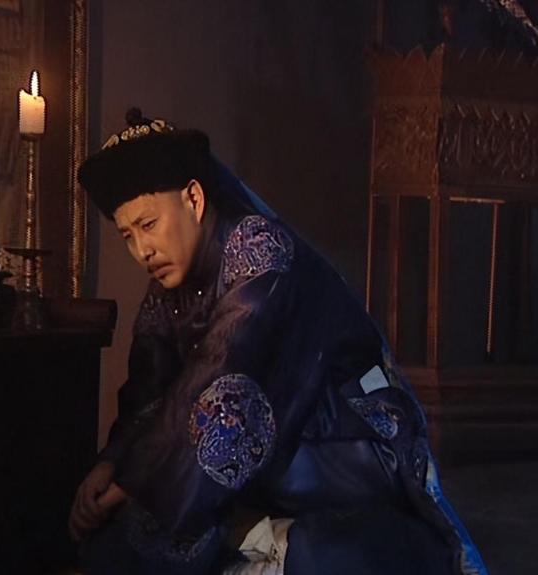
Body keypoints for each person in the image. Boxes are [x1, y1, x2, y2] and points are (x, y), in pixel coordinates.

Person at [69, 108, 487, 575]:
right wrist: (112, 463)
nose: (141, 250)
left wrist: (137, 482)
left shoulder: (259, 249)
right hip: (269, 451)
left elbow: (224, 368)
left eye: (148, 225)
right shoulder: (168, 287)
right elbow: (149, 387)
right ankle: (249, 534)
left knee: (213, 457)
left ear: (194, 199)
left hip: (349, 439)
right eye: (127, 235)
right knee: (119, 539)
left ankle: (258, 536)